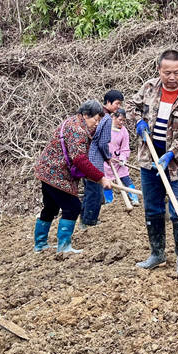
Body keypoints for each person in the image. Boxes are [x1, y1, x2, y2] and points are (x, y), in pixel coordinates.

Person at [126, 49, 178, 278]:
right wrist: (138, 121)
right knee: (152, 207)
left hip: (177, 162)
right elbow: (131, 106)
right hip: (149, 159)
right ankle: (157, 254)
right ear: (159, 70)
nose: (172, 77)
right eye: (167, 72)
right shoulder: (150, 87)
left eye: (177, 72)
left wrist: (171, 153)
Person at [34, 100, 113, 254]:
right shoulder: (78, 130)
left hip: (46, 170)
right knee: (73, 207)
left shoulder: (70, 122)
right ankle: (64, 247)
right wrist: (101, 178)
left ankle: (40, 244)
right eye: (95, 119)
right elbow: (79, 159)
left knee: (50, 207)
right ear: (85, 115)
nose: (96, 124)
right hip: (56, 174)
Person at [80, 90, 124, 229]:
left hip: (86, 158)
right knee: (95, 191)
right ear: (108, 102)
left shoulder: (98, 116)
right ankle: (90, 221)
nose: (118, 107)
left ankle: (84, 219)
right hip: (94, 159)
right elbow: (103, 142)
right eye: (117, 103)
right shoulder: (106, 119)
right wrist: (107, 157)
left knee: (89, 190)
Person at [103, 108, 140, 205]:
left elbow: (125, 148)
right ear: (114, 117)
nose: (122, 122)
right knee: (107, 181)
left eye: (124, 120)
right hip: (106, 161)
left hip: (118, 160)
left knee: (125, 178)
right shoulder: (105, 127)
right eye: (120, 120)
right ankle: (109, 202)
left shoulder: (124, 132)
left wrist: (123, 158)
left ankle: (134, 198)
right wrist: (105, 156)